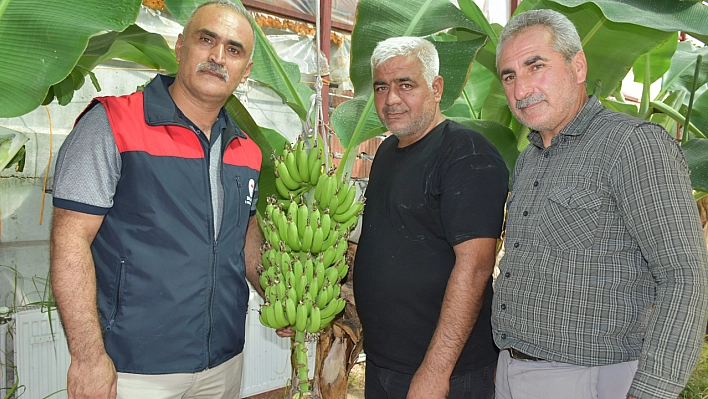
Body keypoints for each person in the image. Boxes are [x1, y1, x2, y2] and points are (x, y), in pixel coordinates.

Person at [49, 1, 263, 398]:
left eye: (234, 50)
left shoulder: (247, 150)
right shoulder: (112, 124)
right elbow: (69, 240)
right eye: (206, 40)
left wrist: (279, 294)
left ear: (245, 70)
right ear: (180, 46)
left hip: (224, 363)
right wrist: (88, 357)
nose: (218, 57)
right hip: (134, 368)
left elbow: (244, 234)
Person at [493, 9, 708, 399]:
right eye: (509, 76)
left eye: (535, 66)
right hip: (511, 367)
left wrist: (653, 391)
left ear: (578, 66)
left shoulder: (632, 145)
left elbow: (685, 275)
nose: (521, 89)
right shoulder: (530, 156)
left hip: (588, 378)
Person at [353, 36, 510, 399]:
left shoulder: (466, 153)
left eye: (405, 85)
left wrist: (435, 371)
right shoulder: (388, 152)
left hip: (446, 373)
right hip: (382, 363)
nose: (391, 99)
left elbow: (474, 267)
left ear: (436, 88)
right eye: (381, 87)